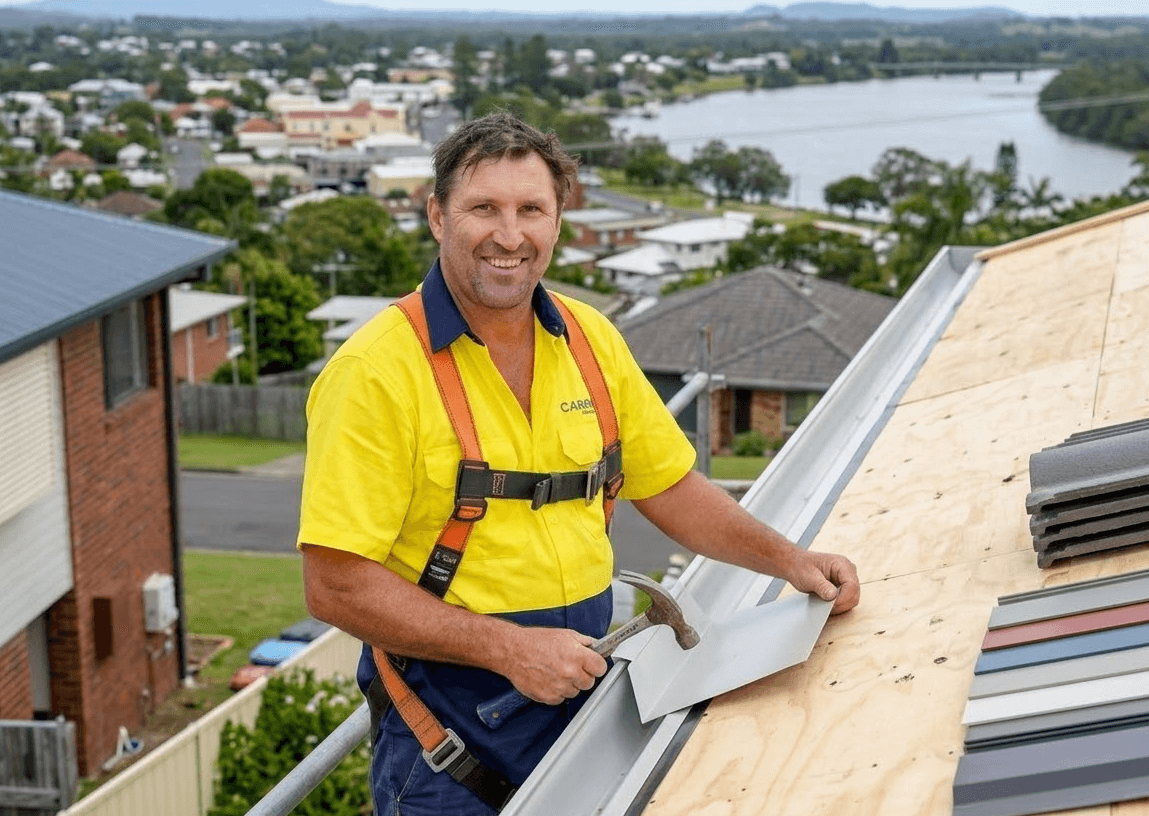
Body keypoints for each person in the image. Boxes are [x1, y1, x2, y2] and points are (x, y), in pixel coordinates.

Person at [298, 112, 860, 816]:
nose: (509, 236)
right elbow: (335, 586)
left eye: (531, 209)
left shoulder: (589, 339)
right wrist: (508, 649)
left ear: (558, 220)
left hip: (583, 691)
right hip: (449, 734)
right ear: (438, 216)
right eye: (483, 209)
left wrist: (788, 561)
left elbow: (670, 487)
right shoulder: (377, 371)